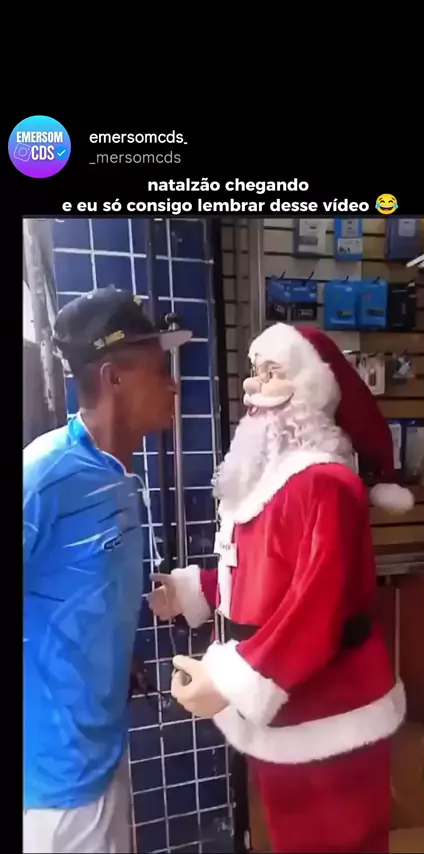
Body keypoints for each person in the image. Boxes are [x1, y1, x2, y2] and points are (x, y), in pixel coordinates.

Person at [148, 323, 412, 854]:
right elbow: (262, 579)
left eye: (272, 373)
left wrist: (228, 680)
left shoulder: (325, 486)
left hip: (331, 712)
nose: (253, 386)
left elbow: (316, 607)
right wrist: (195, 589)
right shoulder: (271, 485)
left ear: (313, 387)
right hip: (283, 709)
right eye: (254, 371)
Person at [23, 288, 191, 854]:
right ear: (114, 377)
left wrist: (113, 662)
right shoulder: (43, 477)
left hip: (104, 751)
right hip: (55, 784)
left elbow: (79, 594)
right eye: (160, 369)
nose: (174, 386)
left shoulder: (118, 476)